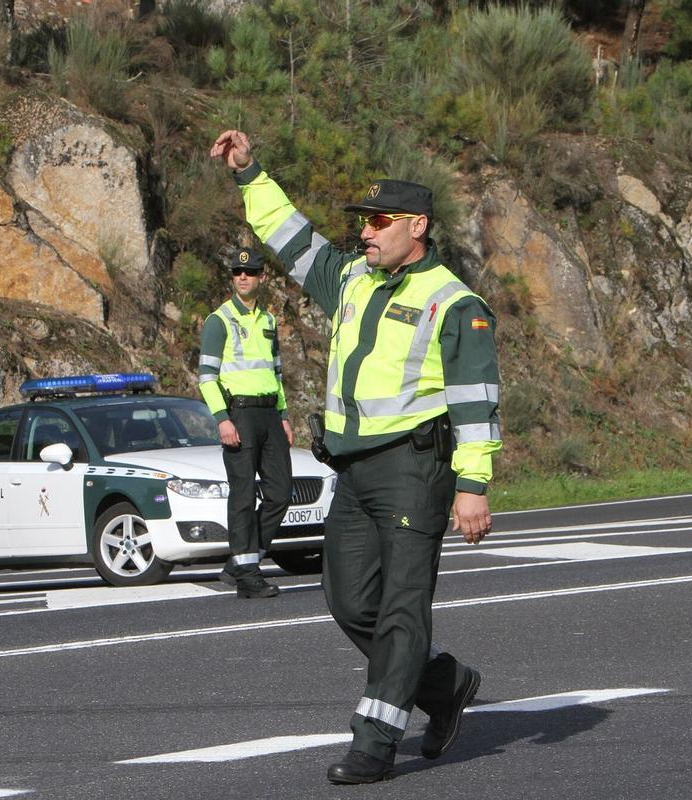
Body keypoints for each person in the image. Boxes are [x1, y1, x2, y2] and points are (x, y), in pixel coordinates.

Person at [210, 129, 502, 784]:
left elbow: (477, 402)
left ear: (417, 225)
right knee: (347, 601)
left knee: (402, 608)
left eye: (379, 221)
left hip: (414, 470)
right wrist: (248, 172)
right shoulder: (348, 277)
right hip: (353, 471)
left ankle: (373, 741)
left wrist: (473, 484)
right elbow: (287, 235)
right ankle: (444, 681)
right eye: (363, 222)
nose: (365, 232)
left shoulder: (454, 303)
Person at [197, 246, 295, 599]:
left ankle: (239, 561)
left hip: (269, 414)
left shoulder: (268, 321)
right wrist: (222, 419)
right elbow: (207, 377)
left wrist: (283, 415)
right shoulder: (218, 320)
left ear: (262, 277)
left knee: (281, 492)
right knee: (242, 495)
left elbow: (276, 372)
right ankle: (248, 575)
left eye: (251, 272)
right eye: (238, 273)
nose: (243, 277)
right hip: (238, 414)